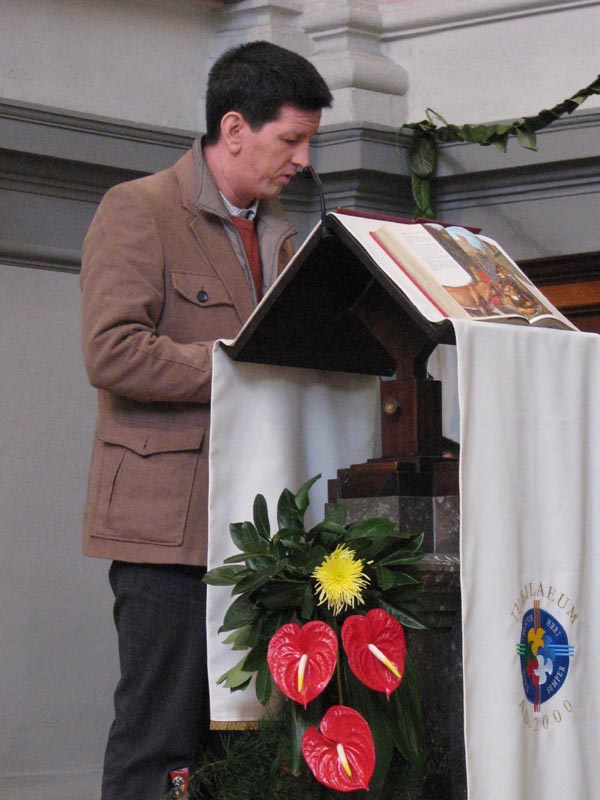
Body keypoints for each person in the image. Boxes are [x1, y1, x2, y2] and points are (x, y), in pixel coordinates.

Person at [80, 41, 332, 800]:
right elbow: (112, 352)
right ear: (234, 129)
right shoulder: (140, 209)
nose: (304, 159)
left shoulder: (286, 233)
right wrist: (236, 366)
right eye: (292, 139)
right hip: (171, 528)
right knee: (159, 737)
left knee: (239, 750)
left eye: (309, 140)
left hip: (260, 530)